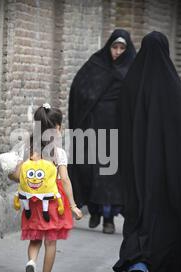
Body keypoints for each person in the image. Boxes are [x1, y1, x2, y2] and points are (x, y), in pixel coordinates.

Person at [112, 31, 181, 272]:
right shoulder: (173, 86)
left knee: (138, 218)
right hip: (167, 173)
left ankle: (137, 268)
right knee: (168, 222)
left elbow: (119, 127)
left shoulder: (131, 83)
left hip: (136, 171)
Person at [7, 104, 83, 272]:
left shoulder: (28, 149)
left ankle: (31, 262)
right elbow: (64, 180)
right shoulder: (58, 153)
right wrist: (73, 205)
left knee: (35, 238)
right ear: (56, 128)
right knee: (50, 241)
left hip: (32, 201)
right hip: (53, 201)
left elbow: (17, 175)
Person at [68, 29, 136, 234]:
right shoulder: (96, 64)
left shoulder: (133, 68)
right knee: (90, 169)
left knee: (111, 174)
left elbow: (139, 99)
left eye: (121, 48)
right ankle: (95, 210)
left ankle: (109, 219)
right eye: (114, 47)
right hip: (93, 128)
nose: (117, 52)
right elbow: (79, 89)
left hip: (118, 131)